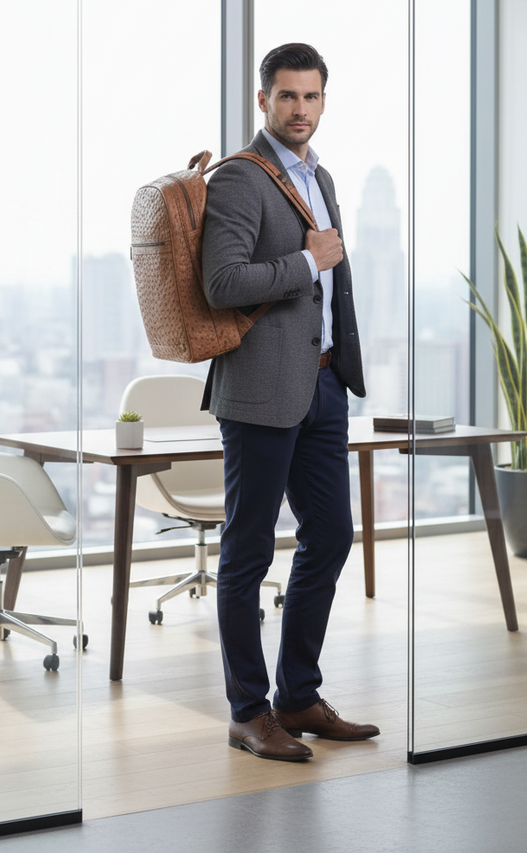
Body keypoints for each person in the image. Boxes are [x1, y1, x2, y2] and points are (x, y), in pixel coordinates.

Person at [202, 42, 380, 762]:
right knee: (246, 556)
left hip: (324, 385)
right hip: (260, 391)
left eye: (310, 97)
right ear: (263, 102)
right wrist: (308, 259)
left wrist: (341, 367)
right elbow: (223, 284)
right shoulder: (241, 180)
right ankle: (250, 711)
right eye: (287, 97)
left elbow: (329, 290)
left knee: (331, 535)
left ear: (323, 101)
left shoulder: (322, 175)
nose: (299, 110)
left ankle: (298, 695)